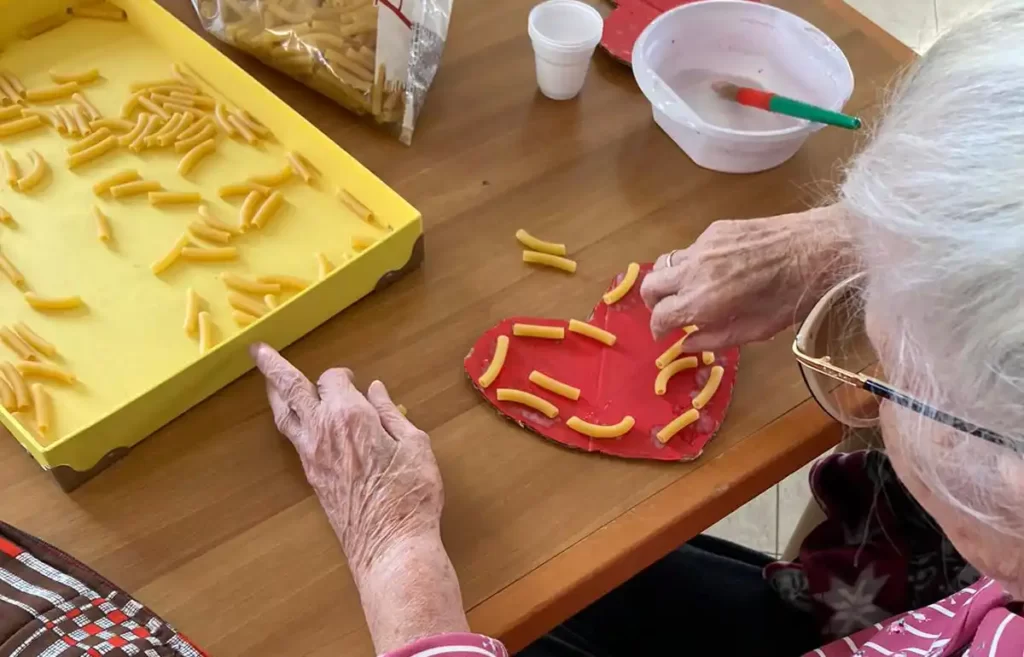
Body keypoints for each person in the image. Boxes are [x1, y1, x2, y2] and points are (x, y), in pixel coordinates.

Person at [3, 4, 1023, 656]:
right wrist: (854, 238)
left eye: (870, 362)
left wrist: (398, 562)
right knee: (561, 571)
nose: (854, 360)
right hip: (877, 603)